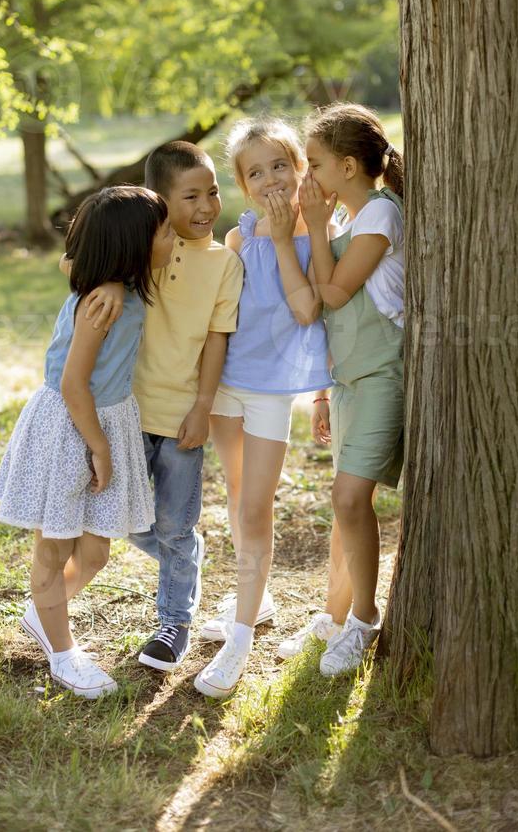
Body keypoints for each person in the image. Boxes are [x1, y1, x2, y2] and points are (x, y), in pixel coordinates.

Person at [0, 186, 175, 698]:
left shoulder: (120, 289)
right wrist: (99, 447)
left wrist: (114, 278)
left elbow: (70, 263)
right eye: (163, 230)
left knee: (94, 554)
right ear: (132, 246)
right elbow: (74, 385)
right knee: (53, 550)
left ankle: (43, 612)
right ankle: (63, 653)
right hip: (72, 427)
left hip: (103, 420)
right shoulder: (103, 305)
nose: (172, 236)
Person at [81, 143, 243, 671]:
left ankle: (174, 622)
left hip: (181, 418)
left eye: (213, 192)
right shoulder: (145, 249)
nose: (206, 206)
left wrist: (203, 406)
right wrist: (106, 276)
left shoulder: (223, 264)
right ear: (160, 202)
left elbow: (217, 340)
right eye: (191, 195)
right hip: (125, 412)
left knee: (175, 523)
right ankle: (185, 558)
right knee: (124, 518)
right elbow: (76, 258)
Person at [193, 117, 333, 698]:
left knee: (256, 510)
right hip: (228, 384)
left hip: (273, 392)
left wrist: (283, 240)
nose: (271, 179)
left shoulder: (321, 232)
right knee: (234, 494)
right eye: (256, 172)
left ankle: (242, 638)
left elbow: (308, 313)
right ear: (243, 185)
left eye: (281, 165)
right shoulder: (238, 236)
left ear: (301, 167)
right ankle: (258, 597)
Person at [298, 102, 405, 676]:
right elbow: (326, 317)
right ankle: (334, 615)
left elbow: (332, 295)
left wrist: (314, 227)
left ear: (345, 165)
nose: (305, 176)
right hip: (347, 381)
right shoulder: (346, 220)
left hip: (383, 374)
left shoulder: (381, 217)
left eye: (312, 163)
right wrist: (320, 392)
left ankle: (364, 621)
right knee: (345, 506)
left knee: (348, 500)